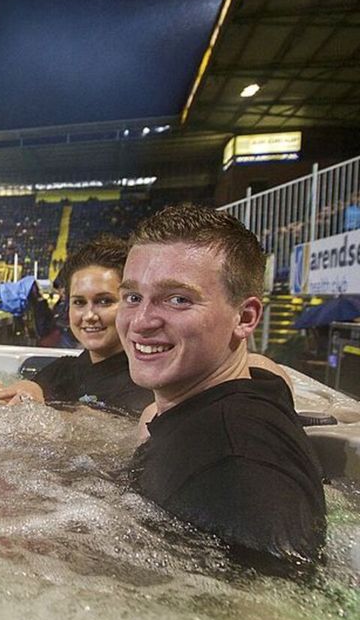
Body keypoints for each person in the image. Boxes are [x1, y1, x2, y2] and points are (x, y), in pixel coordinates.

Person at [117, 204, 326, 571]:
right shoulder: (240, 400)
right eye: (133, 297)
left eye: (178, 299)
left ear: (244, 318)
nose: (141, 321)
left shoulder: (238, 463)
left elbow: (272, 618)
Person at [0, 236, 151, 417]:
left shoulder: (143, 381)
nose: (89, 315)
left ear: (132, 302)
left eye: (104, 301)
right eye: (79, 302)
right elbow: (24, 394)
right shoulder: (65, 369)